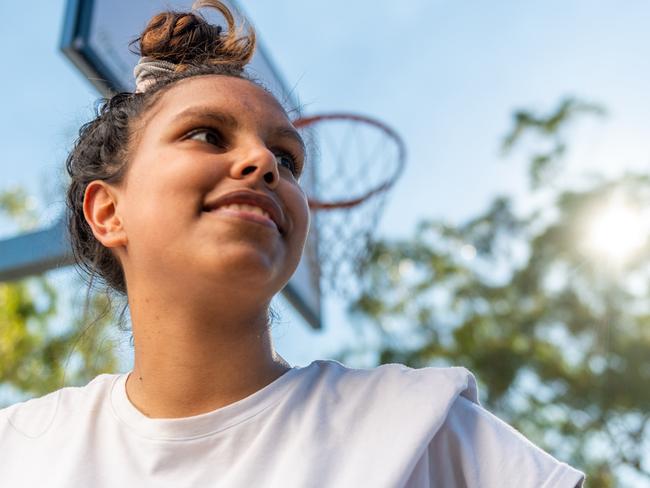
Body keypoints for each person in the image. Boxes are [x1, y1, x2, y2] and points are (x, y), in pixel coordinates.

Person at [0, 2, 585, 486]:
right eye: (206, 134)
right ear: (108, 210)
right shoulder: (21, 451)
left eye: (287, 158)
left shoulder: (423, 431)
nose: (263, 162)